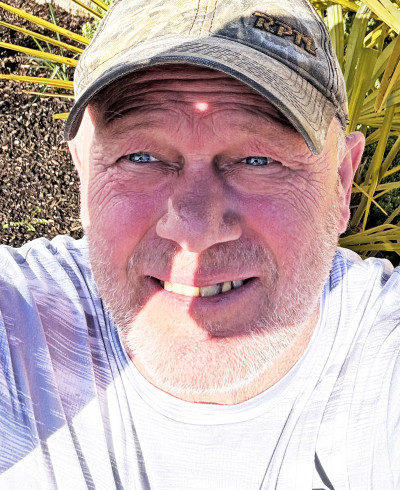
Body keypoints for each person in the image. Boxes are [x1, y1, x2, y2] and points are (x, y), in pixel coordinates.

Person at [0, 0, 399, 488]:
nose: (194, 230)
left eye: (258, 160)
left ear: (341, 183)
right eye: (141, 156)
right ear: (84, 174)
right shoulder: (18, 328)